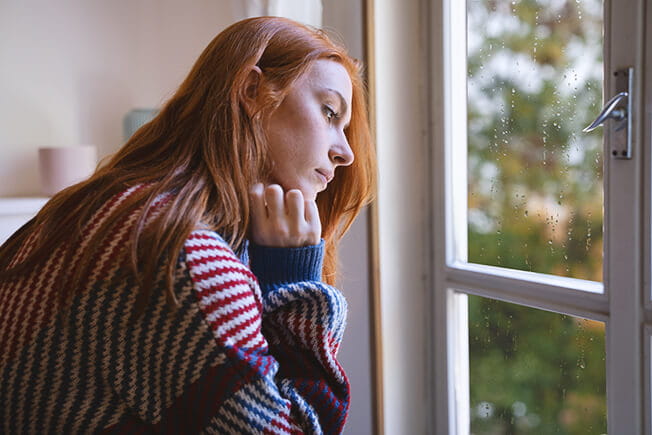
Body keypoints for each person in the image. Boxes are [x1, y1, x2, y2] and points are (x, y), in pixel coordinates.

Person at [0, 16, 375, 434]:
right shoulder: (188, 260)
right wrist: (297, 286)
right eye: (329, 112)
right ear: (252, 92)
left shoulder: (98, 208)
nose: (346, 154)